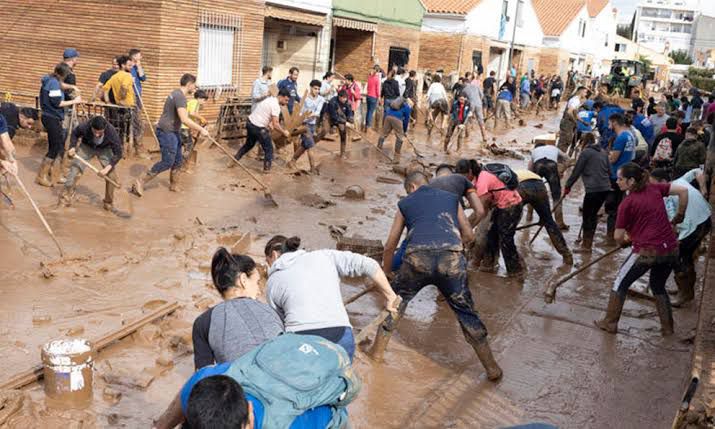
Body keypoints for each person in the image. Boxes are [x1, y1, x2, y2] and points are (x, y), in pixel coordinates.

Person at [371, 172, 503, 381]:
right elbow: (469, 234)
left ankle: (376, 354)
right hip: (450, 260)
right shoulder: (451, 199)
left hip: (417, 260)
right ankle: (492, 368)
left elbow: (390, 245)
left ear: (412, 187)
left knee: (394, 306)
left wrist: (387, 273)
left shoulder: (406, 203)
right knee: (466, 312)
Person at [153, 335, 356, 429]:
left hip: (327, 410)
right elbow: (163, 424)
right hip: (285, 362)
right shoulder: (200, 385)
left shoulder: (290, 424)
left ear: (249, 418)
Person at [264, 235, 398, 361]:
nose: (268, 267)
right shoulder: (325, 255)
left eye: (268, 262)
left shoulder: (272, 281)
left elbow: (278, 324)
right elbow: (370, 265)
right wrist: (390, 295)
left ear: (275, 255)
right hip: (342, 335)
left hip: (302, 341)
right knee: (341, 380)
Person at [594, 163, 688, 337]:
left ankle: (609, 322)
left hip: (647, 251)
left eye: (620, 179)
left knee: (620, 282)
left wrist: (625, 241)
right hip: (671, 249)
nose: (617, 182)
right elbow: (683, 192)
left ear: (631, 181)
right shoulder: (655, 188)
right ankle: (668, 329)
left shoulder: (627, 203)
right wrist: (679, 217)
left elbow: (617, 236)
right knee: (658, 286)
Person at [192, 248, 284, 370]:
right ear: (243, 280)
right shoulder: (269, 311)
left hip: (242, 386)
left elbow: (202, 376)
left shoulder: (203, 322)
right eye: (257, 282)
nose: (259, 290)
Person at [131, 74, 210, 196]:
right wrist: (201, 129)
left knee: (178, 160)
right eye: (194, 85)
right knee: (168, 161)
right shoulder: (180, 97)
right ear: (189, 84)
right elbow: (184, 119)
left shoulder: (176, 93)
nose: (195, 87)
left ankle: (174, 185)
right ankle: (140, 181)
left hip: (173, 131)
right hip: (166, 131)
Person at [650, 168, 711, 307]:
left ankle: (685, 294)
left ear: (664, 182)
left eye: (654, 184)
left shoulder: (667, 196)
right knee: (686, 257)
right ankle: (684, 290)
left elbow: (672, 223)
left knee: (679, 258)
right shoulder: (680, 181)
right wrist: (703, 189)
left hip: (694, 225)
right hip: (706, 218)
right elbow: (697, 171)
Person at [58, 116, 122, 211]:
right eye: (94, 131)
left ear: (104, 129)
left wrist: (106, 169)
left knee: (111, 176)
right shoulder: (85, 126)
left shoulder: (111, 132)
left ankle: (108, 202)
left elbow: (118, 153)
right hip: (87, 147)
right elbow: (75, 134)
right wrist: (72, 147)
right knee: (74, 171)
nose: (96, 134)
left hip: (105, 149)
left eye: (99, 132)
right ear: (91, 126)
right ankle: (64, 199)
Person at [473, 163, 524, 276]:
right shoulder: (481, 176)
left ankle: (516, 271)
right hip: (502, 205)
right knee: (492, 235)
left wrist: (470, 225)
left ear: (470, 172)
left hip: (511, 206)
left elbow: (482, 209)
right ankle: (488, 265)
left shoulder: (482, 180)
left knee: (506, 239)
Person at [564, 133, 612, 252]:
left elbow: (576, 171)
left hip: (593, 189)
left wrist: (567, 186)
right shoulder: (603, 152)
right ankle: (587, 243)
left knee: (587, 216)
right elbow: (610, 171)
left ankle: (586, 246)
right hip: (605, 188)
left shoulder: (585, 153)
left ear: (583, 143)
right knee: (593, 215)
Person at [36, 63, 83, 187]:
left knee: (55, 145)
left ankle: (48, 173)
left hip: (50, 116)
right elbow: (57, 103)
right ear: (63, 75)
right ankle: (42, 176)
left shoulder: (52, 80)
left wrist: (73, 87)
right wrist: (75, 101)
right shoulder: (53, 83)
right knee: (55, 147)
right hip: (52, 117)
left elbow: (61, 85)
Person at [515, 169, 573, 264]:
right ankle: (567, 255)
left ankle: (518, 262)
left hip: (521, 187)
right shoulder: (512, 172)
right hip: (539, 185)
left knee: (507, 229)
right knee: (549, 221)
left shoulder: (489, 180)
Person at [604, 113, 636, 243]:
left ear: (614, 123)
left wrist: (607, 155)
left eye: (609, 123)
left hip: (616, 176)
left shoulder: (621, 137)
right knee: (619, 205)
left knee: (612, 207)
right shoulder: (631, 135)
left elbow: (613, 158)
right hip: (626, 173)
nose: (608, 125)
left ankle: (610, 238)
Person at [529, 142, 570, 230]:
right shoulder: (553, 148)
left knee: (532, 193)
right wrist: (561, 170)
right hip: (551, 166)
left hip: (538, 165)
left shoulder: (534, 151)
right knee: (556, 196)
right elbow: (567, 158)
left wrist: (533, 180)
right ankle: (559, 222)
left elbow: (530, 169)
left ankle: (529, 216)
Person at [287, 80, 324, 173]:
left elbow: (318, 112)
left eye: (318, 89)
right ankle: (312, 168)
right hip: (304, 125)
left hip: (313, 125)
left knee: (304, 145)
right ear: (311, 87)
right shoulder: (304, 99)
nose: (317, 91)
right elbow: (300, 112)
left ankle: (292, 161)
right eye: (315, 88)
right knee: (310, 146)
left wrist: (311, 115)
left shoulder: (321, 99)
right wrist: (303, 117)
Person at [102, 55, 135, 144]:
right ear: (123, 65)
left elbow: (105, 89)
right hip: (128, 107)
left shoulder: (114, 77)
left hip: (118, 107)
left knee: (120, 128)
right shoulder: (127, 76)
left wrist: (107, 101)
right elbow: (124, 88)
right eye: (129, 65)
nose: (131, 67)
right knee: (133, 129)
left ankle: (119, 145)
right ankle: (132, 150)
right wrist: (122, 100)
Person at [181, 89, 209, 171]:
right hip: (183, 127)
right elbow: (192, 113)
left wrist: (197, 124)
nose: (204, 102)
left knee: (185, 144)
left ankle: (183, 163)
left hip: (184, 127)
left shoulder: (194, 103)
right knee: (189, 145)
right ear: (199, 98)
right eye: (204, 100)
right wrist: (201, 118)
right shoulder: (194, 102)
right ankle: (182, 165)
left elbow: (192, 116)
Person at [128, 48, 147, 156]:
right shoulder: (128, 66)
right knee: (138, 121)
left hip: (138, 95)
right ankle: (137, 147)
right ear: (134, 56)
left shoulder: (137, 67)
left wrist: (139, 66)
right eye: (140, 55)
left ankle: (137, 144)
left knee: (137, 118)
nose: (141, 57)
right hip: (131, 96)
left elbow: (143, 78)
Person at [558, 86, 587, 153]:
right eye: (585, 92)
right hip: (567, 123)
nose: (586, 94)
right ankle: (559, 159)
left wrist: (582, 121)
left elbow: (575, 114)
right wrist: (575, 121)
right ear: (581, 91)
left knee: (567, 141)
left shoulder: (577, 101)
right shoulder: (575, 100)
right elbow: (569, 112)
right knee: (564, 142)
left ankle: (560, 158)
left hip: (569, 124)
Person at [327, 90, 355, 159]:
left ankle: (342, 153)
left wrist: (351, 120)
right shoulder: (332, 102)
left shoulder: (347, 102)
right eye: (343, 98)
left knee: (343, 133)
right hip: (331, 118)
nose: (345, 99)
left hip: (341, 119)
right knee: (324, 131)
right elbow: (334, 117)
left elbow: (349, 112)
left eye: (346, 98)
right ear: (339, 97)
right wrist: (345, 123)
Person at [461, 78, 488, 144]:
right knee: (481, 121)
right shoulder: (477, 86)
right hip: (479, 104)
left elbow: (463, 100)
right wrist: (478, 100)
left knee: (467, 120)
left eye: (463, 83)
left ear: (465, 83)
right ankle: (484, 137)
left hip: (471, 105)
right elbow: (482, 95)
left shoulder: (464, 90)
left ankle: (467, 136)